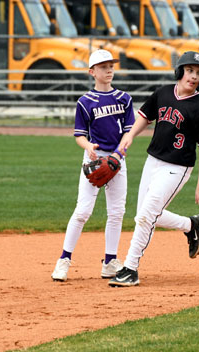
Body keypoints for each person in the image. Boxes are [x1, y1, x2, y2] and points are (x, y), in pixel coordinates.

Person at [108, 51, 199, 287]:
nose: (193, 76)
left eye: (198, 73)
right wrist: (130, 136)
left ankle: (130, 268)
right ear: (180, 71)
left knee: (147, 215)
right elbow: (145, 117)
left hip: (177, 168)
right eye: (189, 70)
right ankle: (191, 225)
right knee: (144, 215)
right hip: (153, 161)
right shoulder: (163, 93)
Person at [51, 49, 135, 281]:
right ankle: (63, 260)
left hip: (118, 159)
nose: (109, 70)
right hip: (95, 159)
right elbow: (79, 135)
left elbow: (129, 132)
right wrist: (88, 146)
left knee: (116, 213)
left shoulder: (124, 98)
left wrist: (118, 154)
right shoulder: (85, 102)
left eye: (111, 66)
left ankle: (110, 262)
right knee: (83, 211)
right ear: (92, 72)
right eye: (103, 67)